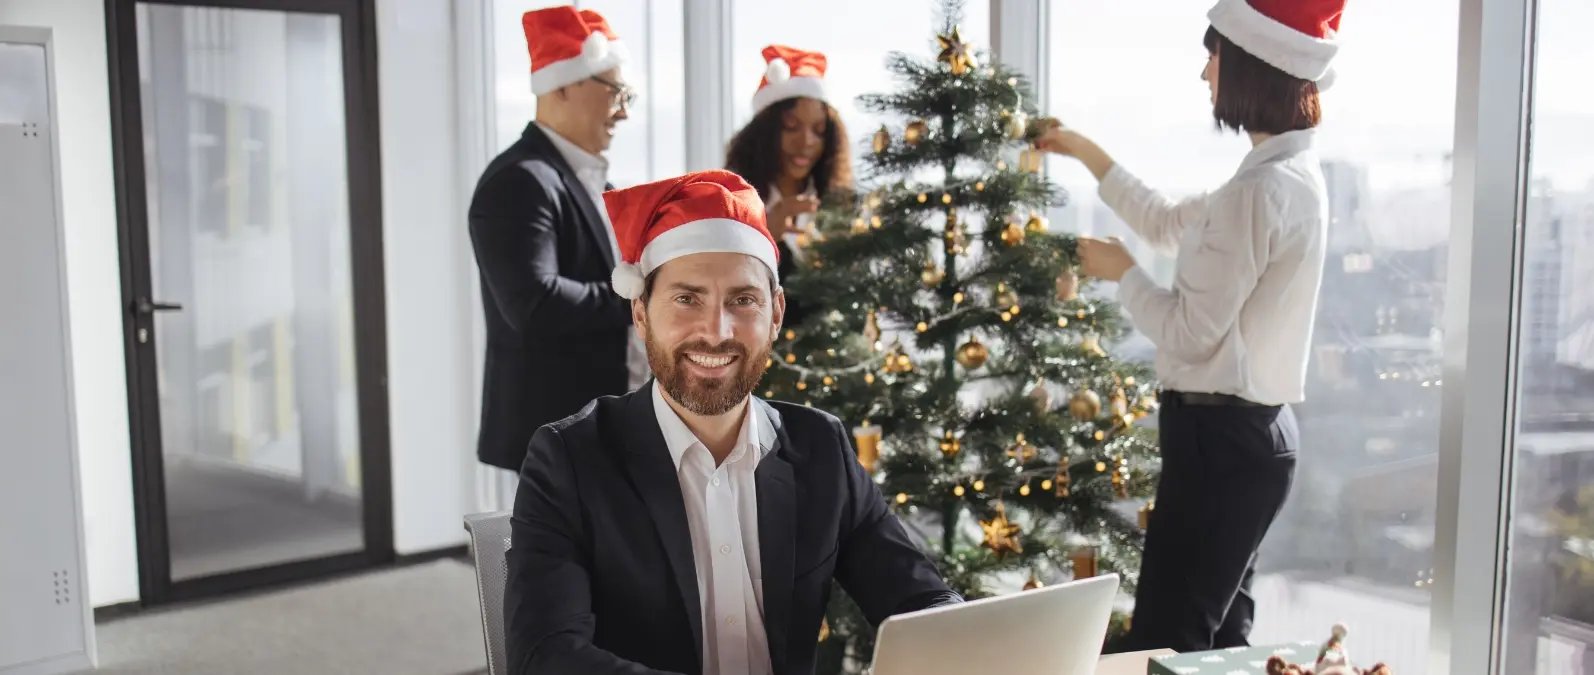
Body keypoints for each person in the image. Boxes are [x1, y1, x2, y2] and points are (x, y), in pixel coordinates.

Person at [504, 170, 959, 675]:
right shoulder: (569, 459)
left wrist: (972, 635)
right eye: (686, 299)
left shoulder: (821, 446)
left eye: (742, 301)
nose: (716, 332)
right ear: (640, 313)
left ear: (776, 313)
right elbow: (545, 657)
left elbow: (920, 601)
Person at [1032, 0, 1345, 653]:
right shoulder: (1285, 177)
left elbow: (1187, 331)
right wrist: (1084, 151)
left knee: (1169, 640)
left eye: (1215, 55)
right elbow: (1164, 221)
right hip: (1254, 437)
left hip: (1219, 444)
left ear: (1254, 68)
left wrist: (1122, 273)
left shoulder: (1256, 193)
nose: (1206, 74)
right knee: (1221, 637)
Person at [468, 5, 647, 508]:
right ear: (563, 85)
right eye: (616, 93)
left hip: (598, 425)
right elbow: (534, 304)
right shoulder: (519, 181)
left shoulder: (592, 182)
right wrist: (642, 293)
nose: (625, 111)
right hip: (555, 430)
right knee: (562, 580)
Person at [724, 45, 852, 327]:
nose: (806, 141)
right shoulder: (731, 203)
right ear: (764, 133)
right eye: (791, 126)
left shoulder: (842, 207)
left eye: (818, 131)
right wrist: (764, 236)